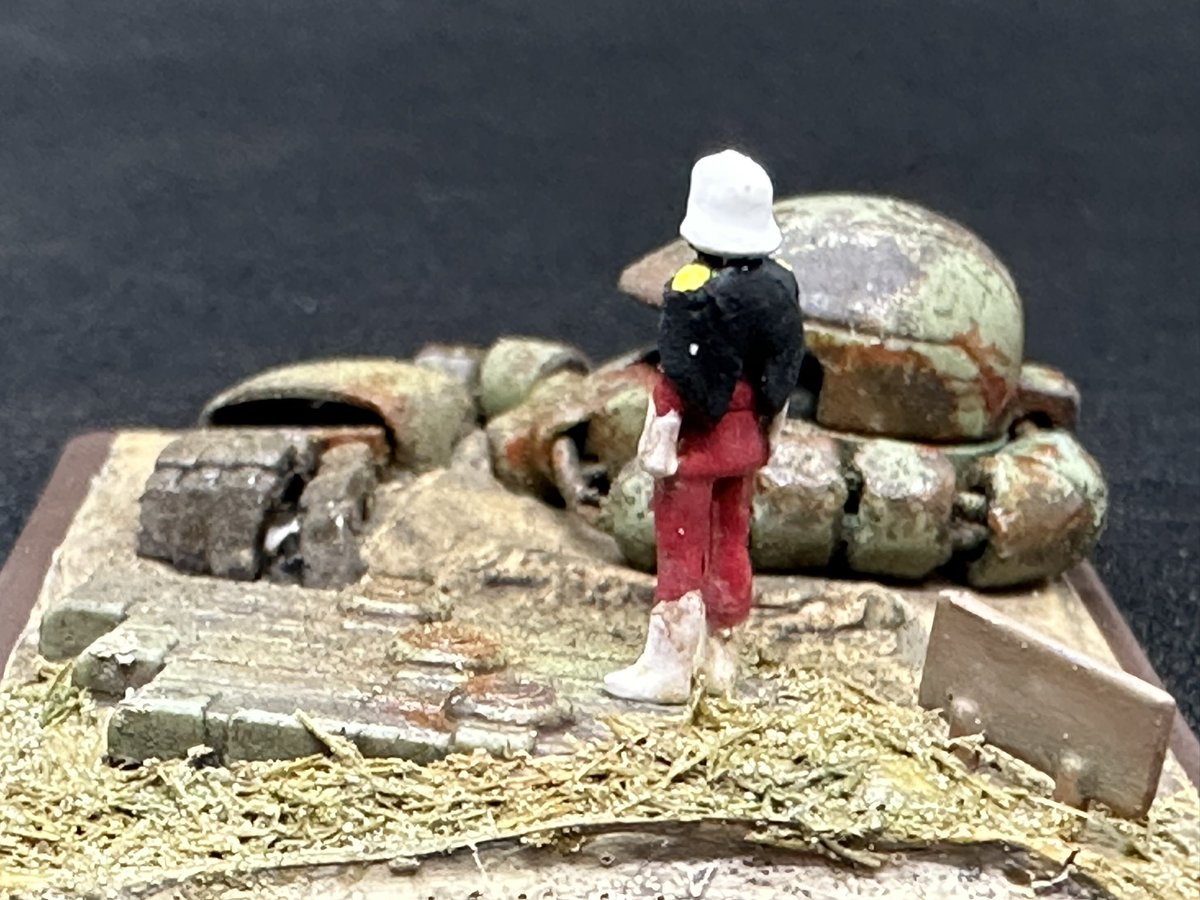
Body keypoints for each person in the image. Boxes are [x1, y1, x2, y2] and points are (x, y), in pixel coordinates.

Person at [603, 149, 805, 704]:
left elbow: (678, 375)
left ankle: (669, 666)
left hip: (694, 446)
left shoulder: (693, 289)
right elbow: (785, 365)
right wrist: (770, 429)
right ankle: (721, 660)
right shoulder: (781, 284)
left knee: (682, 549)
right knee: (732, 541)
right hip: (747, 441)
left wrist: (659, 441)